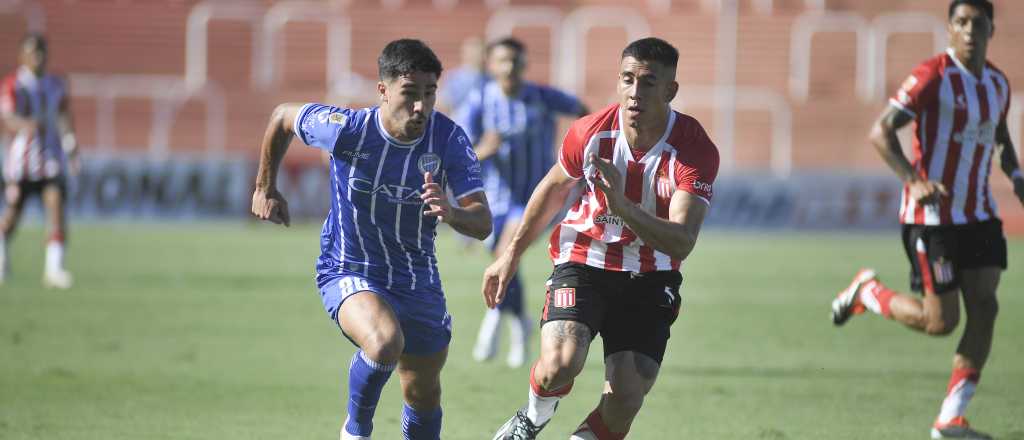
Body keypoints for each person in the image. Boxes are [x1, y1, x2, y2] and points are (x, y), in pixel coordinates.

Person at [251, 39, 491, 440]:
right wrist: (265, 187)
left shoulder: (449, 139)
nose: (420, 107)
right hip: (348, 267)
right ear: (383, 91)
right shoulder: (347, 130)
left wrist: (451, 213)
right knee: (383, 342)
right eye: (410, 94)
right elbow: (281, 117)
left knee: (423, 390)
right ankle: (355, 430)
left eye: (429, 94)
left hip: (417, 281)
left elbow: (482, 222)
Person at [483, 37, 719, 439]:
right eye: (627, 79)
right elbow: (553, 189)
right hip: (584, 258)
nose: (634, 92)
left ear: (670, 91)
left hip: (651, 274)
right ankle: (532, 419)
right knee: (560, 361)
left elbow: (681, 241)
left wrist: (623, 205)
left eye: (648, 83)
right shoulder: (591, 132)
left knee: (626, 396)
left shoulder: (694, 149)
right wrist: (510, 255)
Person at [831, 1, 1022, 438]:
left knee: (987, 307)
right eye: (962, 22)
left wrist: (1016, 174)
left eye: (979, 23)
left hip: (979, 215)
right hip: (932, 219)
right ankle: (870, 292)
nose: (970, 30)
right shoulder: (932, 75)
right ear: (950, 29)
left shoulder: (997, 82)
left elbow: (1001, 139)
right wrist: (913, 180)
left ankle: (951, 418)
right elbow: (881, 131)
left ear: (991, 28)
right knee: (941, 322)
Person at [459, 37, 588, 368]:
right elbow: (460, 152)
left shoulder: (542, 97)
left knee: (506, 252)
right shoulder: (479, 101)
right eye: (502, 61)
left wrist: (581, 153)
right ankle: (519, 323)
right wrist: (484, 150)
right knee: (505, 261)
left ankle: (492, 324)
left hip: (533, 199)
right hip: (492, 199)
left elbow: (583, 113)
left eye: (515, 61)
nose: (509, 67)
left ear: (524, 64)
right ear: (490, 65)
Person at [0, 33, 78, 289]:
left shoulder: (56, 84)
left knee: (55, 206)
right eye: (33, 51)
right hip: (21, 164)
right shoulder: (14, 85)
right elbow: (7, 119)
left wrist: (71, 146)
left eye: (41, 51)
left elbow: (64, 116)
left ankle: (53, 270)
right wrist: (26, 124)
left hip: (50, 161)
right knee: (11, 217)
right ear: (22, 55)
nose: (38, 56)